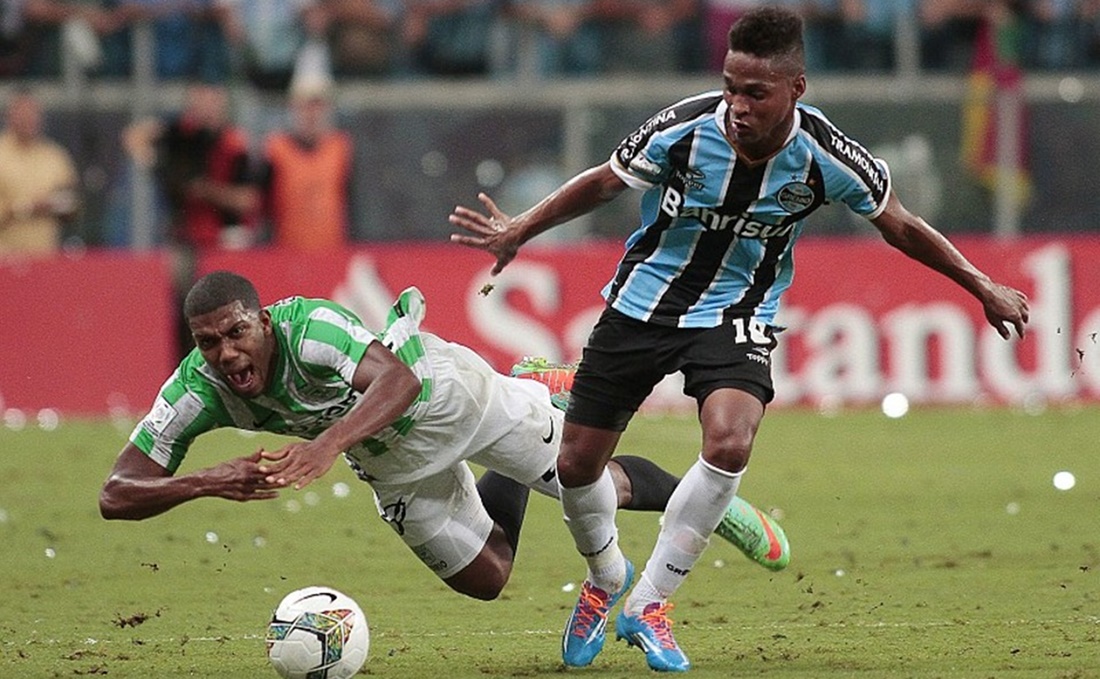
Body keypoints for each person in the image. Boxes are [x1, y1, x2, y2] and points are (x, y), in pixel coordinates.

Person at [449, 6, 1030, 671]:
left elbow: (900, 225)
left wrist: (981, 283)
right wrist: (521, 227)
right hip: (641, 306)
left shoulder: (828, 156)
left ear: (795, 90)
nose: (738, 104)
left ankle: (649, 602)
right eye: (731, 86)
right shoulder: (685, 129)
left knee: (729, 439)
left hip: (737, 312)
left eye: (755, 92)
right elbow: (606, 181)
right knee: (577, 466)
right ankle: (606, 577)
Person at [99, 271, 790, 605]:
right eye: (208, 342)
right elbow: (115, 492)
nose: (224, 352)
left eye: (235, 332)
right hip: (389, 460)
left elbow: (394, 382)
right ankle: (536, 400)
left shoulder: (313, 329)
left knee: (585, 476)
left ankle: (708, 502)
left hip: (445, 397)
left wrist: (326, 445)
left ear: (264, 322)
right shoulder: (197, 388)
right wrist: (205, 480)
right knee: (486, 578)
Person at [255, 75, 353, 251]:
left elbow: (353, 201)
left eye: (317, 106)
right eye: (305, 106)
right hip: (287, 250)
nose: (311, 114)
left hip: (333, 250)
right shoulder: (276, 149)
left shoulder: (341, 147)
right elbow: (261, 203)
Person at [0, 88, 80, 256]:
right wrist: (25, 207)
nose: (28, 120)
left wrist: (56, 205)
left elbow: (71, 204)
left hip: (44, 258)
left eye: (32, 114)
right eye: (22, 114)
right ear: (9, 117)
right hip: (5, 259)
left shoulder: (55, 156)